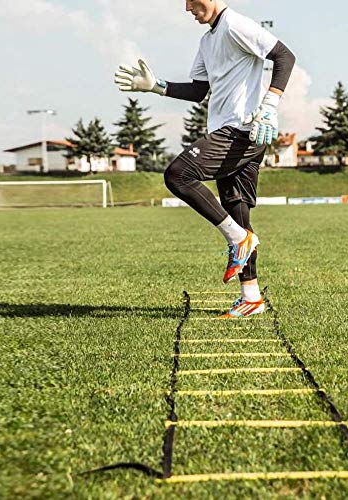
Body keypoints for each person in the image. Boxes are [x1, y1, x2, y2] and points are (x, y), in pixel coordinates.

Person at [115, 0, 295, 318]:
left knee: (178, 175)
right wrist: (158, 87)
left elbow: (284, 56)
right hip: (233, 132)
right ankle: (251, 296)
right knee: (237, 209)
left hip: (241, 131)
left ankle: (237, 239)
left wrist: (270, 104)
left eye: (191, 2)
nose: (187, 9)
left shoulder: (235, 24)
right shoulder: (208, 39)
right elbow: (200, 90)